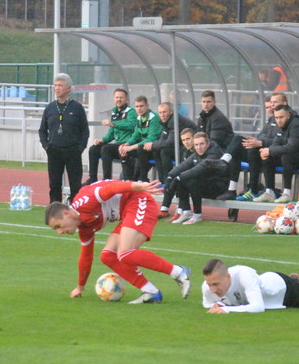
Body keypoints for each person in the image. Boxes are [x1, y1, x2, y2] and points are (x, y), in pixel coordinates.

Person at [44, 179, 192, 304]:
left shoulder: (85, 201)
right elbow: (86, 257)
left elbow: (112, 188)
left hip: (139, 200)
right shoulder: (84, 228)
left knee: (125, 253)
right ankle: (150, 291)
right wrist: (80, 286)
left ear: (66, 213)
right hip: (128, 211)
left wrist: (140, 186)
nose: (59, 232)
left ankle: (178, 272)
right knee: (108, 255)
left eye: (58, 226)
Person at [216, 93, 286, 202]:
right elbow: (261, 136)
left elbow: (279, 140)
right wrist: (258, 141)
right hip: (261, 153)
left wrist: (260, 142)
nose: (270, 109)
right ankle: (231, 189)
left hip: (273, 156)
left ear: (284, 104)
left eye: (273, 104)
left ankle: (253, 190)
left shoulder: (284, 119)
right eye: (268, 107)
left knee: (252, 149)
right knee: (238, 144)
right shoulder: (271, 120)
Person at [38, 73, 89, 203]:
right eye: (55, 85)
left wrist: (80, 148)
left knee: (75, 184)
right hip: (54, 150)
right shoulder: (50, 108)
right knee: (54, 184)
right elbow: (42, 130)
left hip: (73, 150)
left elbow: (85, 131)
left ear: (68, 89)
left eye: (60, 85)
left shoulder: (77, 108)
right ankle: (55, 208)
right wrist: (47, 146)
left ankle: (76, 208)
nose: (57, 88)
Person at [260, 104, 299, 204]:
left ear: (288, 115)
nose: (278, 120)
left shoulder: (297, 124)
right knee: (268, 157)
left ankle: (286, 193)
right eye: (276, 118)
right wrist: (267, 151)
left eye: (281, 117)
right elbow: (276, 143)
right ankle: (269, 192)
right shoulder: (282, 125)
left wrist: (270, 150)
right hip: (297, 156)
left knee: (286, 157)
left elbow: (292, 147)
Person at [164, 131, 227, 225]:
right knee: (184, 180)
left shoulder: (214, 154)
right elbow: (183, 166)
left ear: (208, 144)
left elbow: (198, 170)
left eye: (202, 144)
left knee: (190, 181)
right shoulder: (197, 153)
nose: (199, 147)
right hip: (205, 184)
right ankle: (186, 212)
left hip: (218, 187)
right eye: (196, 145)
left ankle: (198, 215)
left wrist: (178, 178)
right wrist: (170, 177)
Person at [85, 88, 136, 184]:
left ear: (127, 99)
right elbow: (111, 134)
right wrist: (101, 140)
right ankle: (92, 178)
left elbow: (131, 125)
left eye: (121, 97)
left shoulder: (131, 112)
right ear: (114, 99)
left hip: (127, 146)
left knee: (106, 148)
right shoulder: (115, 112)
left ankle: (107, 180)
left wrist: (113, 124)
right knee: (93, 149)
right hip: (117, 146)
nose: (119, 99)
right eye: (117, 97)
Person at [149, 101, 196, 186]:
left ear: (171, 112)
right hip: (179, 146)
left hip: (188, 148)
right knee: (156, 150)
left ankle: (168, 179)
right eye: (160, 112)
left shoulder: (174, 121)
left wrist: (152, 145)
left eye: (164, 112)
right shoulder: (166, 121)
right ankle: (162, 180)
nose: (162, 115)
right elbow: (162, 140)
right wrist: (154, 146)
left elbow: (171, 142)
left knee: (164, 151)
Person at [117, 95, 162, 181]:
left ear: (147, 106)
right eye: (137, 106)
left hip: (154, 148)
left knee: (140, 149)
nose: (139, 109)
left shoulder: (154, 117)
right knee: (122, 149)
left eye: (141, 106)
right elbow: (135, 135)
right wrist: (126, 144)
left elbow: (151, 138)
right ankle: (126, 179)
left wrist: (131, 147)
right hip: (142, 148)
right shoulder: (139, 118)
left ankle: (143, 178)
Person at [159, 126, 196, 219]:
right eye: (183, 140)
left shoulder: (198, 151)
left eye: (188, 139)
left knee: (179, 181)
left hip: (197, 180)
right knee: (170, 179)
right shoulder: (184, 151)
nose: (186, 142)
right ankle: (164, 209)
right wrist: (170, 177)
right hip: (187, 177)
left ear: (194, 138)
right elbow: (181, 167)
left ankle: (180, 210)